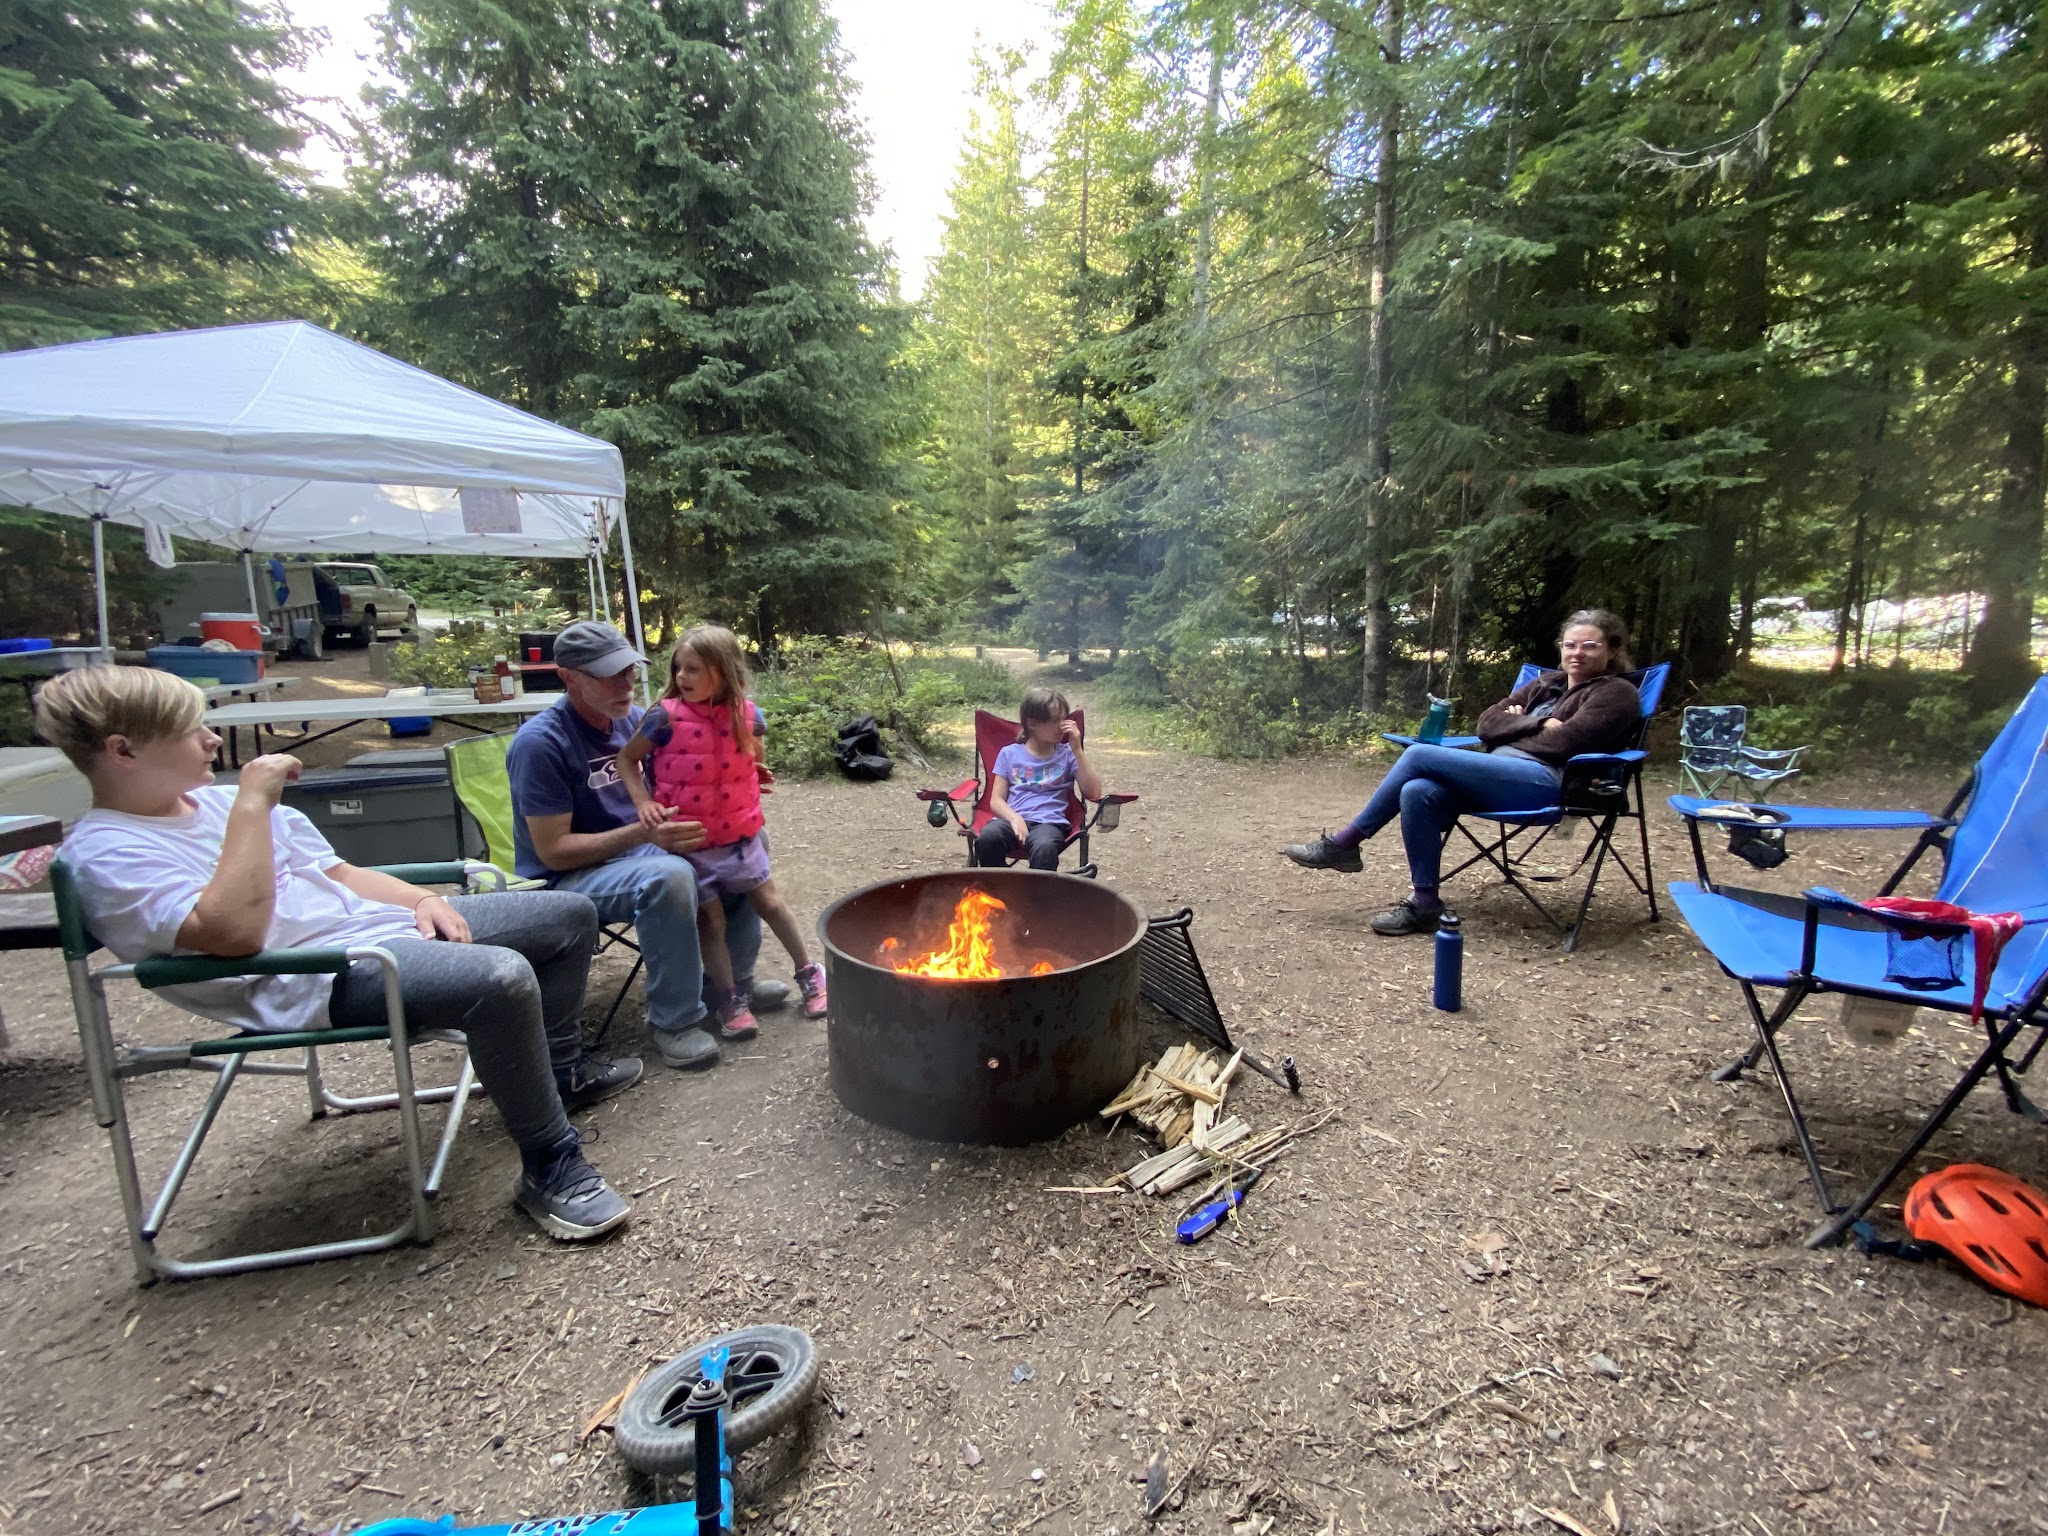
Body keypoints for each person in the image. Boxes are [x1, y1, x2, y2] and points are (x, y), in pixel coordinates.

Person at [37, 666, 634, 1243]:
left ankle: (560, 1073)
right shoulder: (107, 853)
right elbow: (234, 936)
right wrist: (251, 808)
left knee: (568, 914)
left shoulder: (217, 803)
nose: (211, 739)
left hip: (375, 932)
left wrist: (421, 899)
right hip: (309, 975)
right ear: (123, 751)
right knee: (498, 979)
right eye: (190, 730)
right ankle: (550, 1160)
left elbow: (340, 872)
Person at [507, 620, 786, 1073]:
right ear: (568, 677)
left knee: (743, 843)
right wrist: (644, 834)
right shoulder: (541, 744)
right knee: (673, 875)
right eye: (607, 675)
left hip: (647, 848)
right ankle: (675, 1020)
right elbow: (553, 853)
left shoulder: (636, 721)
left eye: (629, 670)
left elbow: (693, 770)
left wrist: (739, 781)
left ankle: (732, 985)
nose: (626, 684)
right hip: (577, 874)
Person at [1283, 608, 1642, 935]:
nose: (1577, 653)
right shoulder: (1547, 683)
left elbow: (1565, 745)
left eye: (1589, 646)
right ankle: (1425, 904)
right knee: (1417, 790)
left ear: (1611, 649)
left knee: (1419, 754)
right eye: (1570, 645)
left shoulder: (1617, 693)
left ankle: (1345, 844)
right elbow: (1487, 724)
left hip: (1547, 782)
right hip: (1498, 775)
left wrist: (1517, 727)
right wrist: (1541, 723)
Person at [615, 625, 827, 1040]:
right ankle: (730, 997)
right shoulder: (663, 715)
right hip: (689, 841)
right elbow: (627, 760)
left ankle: (808, 971)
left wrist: (753, 769)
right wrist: (644, 803)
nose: (682, 678)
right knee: (709, 921)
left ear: (724, 671)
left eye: (694, 670)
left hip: (739, 833)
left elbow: (751, 751)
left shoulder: (749, 714)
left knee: (770, 901)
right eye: (679, 668)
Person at [976, 686, 1105, 871]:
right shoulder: (1009, 754)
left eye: (1064, 718)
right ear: (1032, 724)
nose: (1061, 725)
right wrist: (1014, 818)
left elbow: (1094, 792)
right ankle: (1001, 893)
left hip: (1049, 823)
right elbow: (996, 801)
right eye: (1054, 720)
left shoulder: (1068, 754)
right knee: (988, 839)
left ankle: (1036, 898)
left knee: (1045, 849)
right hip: (1012, 819)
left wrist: (1077, 749)